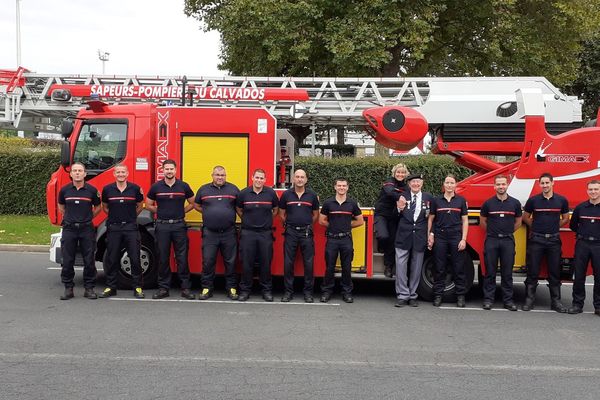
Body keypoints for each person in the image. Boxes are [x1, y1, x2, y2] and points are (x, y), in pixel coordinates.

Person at [146, 159, 195, 300]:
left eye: (171, 169)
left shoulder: (183, 186)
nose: (169, 171)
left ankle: (185, 288)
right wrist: (159, 210)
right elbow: (148, 204)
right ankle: (163, 288)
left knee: (182, 258)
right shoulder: (156, 187)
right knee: (163, 258)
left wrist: (182, 211)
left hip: (179, 225)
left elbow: (192, 202)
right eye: (166, 169)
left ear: (175, 170)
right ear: (163, 170)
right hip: (162, 226)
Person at [522, 172, 569, 312]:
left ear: (552, 183)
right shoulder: (533, 200)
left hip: (554, 240)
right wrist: (536, 228)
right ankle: (529, 301)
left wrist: (554, 227)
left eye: (547, 183)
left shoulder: (561, 200)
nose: (545, 185)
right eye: (542, 183)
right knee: (533, 270)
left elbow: (565, 218)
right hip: (536, 239)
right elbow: (525, 217)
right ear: (539, 184)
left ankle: (556, 302)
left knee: (554, 271)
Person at [194, 166, 240, 301]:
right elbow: (197, 205)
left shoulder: (233, 189)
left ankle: (231, 288)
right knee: (208, 262)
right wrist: (209, 212)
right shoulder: (203, 189)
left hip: (229, 232)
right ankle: (207, 288)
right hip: (210, 233)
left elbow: (238, 206)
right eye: (217, 175)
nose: (220, 177)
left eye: (223, 175)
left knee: (230, 262)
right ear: (212, 175)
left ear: (226, 176)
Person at [99, 164, 145, 299]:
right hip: (114, 228)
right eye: (118, 172)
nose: (120, 174)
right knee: (112, 258)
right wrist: (114, 217)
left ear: (127, 173)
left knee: (135, 258)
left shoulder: (135, 189)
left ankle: (137, 287)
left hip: (130, 227)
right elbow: (105, 207)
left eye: (123, 172)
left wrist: (131, 217)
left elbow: (140, 205)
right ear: (114, 174)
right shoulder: (107, 189)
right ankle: (111, 287)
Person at [57, 162, 101, 300]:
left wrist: (87, 218)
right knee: (68, 259)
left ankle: (89, 288)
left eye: (80, 170)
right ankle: (68, 288)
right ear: (71, 174)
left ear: (85, 174)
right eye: (74, 170)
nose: (77, 173)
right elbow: (61, 206)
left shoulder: (92, 190)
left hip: (86, 228)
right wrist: (71, 218)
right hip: (69, 228)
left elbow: (98, 207)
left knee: (89, 260)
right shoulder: (64, 190)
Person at [480, 175, 522, 311]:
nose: (501, 187)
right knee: (490, 272)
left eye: (503, 184)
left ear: (507, 185)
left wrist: (507, 232)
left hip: (507, 240)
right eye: (498, 184)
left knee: (507, 272)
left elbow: (518, 222)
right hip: (492, 240)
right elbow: (483, 222)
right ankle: (488, 300)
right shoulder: (488, 203)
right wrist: (493, 232)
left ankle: (508, 301)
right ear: (494, 186)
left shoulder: (515, 203)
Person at [236, 169, 279, 302]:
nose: (259, 180)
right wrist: (247, 220)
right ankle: (245, 291)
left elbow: (276, 210)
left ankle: (266, 291)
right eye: (257, 177)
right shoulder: (244, 193)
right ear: (252, 178)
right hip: (248, 233)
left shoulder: (271, 193)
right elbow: (238, 209)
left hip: (265, 233)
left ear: (265, 180)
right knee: (246, 263)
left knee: (265, 263)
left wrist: (266, 220)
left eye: (262, 178)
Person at [319, 178, 364, 303]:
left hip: (346, 239)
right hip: (332, 239)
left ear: (347, 188)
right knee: (329, 267)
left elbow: (360, 221)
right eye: (339, 185)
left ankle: (347, 293)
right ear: (335, 187)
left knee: (346, 267)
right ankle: (326, 292)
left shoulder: (352, 204)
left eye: (344, 186)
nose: (341, 188)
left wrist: (346, 226)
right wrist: (333, 226)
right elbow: (321, 220)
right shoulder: (328, 203)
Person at [428, 174, 469, 307]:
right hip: (440, 236)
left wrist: (463, 239)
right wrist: (429, 234)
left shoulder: (461, 201)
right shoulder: (436, 200)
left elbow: (465, 221)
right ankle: (438, 295)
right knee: (439, 267)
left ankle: (460, 296)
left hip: (456, 237)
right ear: (444, 185)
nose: (449, 185)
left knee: (458, 267)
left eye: (452, 183)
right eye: (447, 182)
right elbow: (431, 219)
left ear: (456, 185)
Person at [279, 169, 320, 303]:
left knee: (309, 264)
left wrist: (306, 225)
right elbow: (281, 213)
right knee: (288, 263)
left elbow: (315, 215)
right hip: (290, 232)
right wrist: (291, 225)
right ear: (293, 179)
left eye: (302, 177)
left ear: (306, 179)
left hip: (306, 233)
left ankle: (308, 293)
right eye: (297, 177)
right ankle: (288, 292)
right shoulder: (286, 195)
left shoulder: (312, 195)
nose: (300, 179)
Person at [393, 173, 433, 307]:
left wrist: (430, 234)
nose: (416, 184)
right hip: (403, 236)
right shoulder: (402, 196)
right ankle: (402, 295)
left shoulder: (429, 197)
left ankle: (412, 295)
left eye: (418, 182)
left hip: (420, 236)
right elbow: (393, 216)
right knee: (400, 266)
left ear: (422, 183)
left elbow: (432, 218)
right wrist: (399, 208)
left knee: (416, 268)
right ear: (409, 184)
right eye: (413, 182)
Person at [567, 180, 600, 316]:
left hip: (599, 245)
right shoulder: (581, 208)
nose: (593, 192)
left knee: (599, 276)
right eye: (591, 189)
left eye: (596, 189)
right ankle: (577, 304)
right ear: (587, 191)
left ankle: (598, 306)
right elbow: (573, 225)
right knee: (579, 275)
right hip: (583, 244)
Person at [374, 163, 409, 278]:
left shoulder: (406, 186)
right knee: (383, 236)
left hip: (395, 216)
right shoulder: (389, 182)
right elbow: (389, 192)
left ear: (406, 174)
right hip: (382, 215)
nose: (400, 174)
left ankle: (388, 267)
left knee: (392, 242)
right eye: (398, 172)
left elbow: (409, 197)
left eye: (403, 172)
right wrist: (400, 197)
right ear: (394, 173)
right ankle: (381, 245)